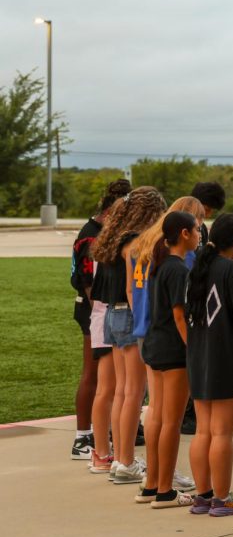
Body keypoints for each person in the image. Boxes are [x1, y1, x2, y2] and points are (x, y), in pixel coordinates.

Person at [88, 186, 166, 479]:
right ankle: (126, 460)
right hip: (130, 315)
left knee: (123, 390)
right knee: (134, 391)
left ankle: (122, 458)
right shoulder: (134, 243)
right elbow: (136, 287)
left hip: (112, 313)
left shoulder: (112, 238)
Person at [134, 197, 206, 498]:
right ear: (185, 234)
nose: (200, 235)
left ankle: (152, 484)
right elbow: (179, 315)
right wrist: (194, 348)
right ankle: (165, 489)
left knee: (159, 417)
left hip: (155, 345)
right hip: (173, 350)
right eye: (197, 230)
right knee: (171, 422)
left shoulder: (160, 264)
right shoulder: (177, 269)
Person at [185, 213, 233, 517]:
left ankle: (203, 495)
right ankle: (223, 499)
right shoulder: (232, 271)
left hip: (199, 357)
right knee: (223, 432)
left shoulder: (198, 268)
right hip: (227, 358)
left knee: (203, 431)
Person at [69, 178, 131, 461]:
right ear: (110, 213)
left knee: (111, 378)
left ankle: (104, 432)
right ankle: (83, 436)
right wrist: (102, 315)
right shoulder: (91, 236)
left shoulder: (103, 234)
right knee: (93, 375)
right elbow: (87, 282)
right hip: (94, 308)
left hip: (104, 308)